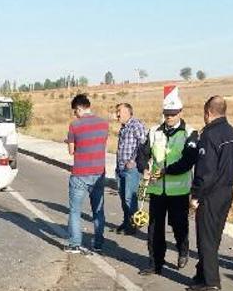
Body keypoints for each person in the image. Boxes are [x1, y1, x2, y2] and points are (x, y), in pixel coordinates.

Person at [137, 85, 198, 275]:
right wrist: (144, 168)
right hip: (156, 189)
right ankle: (155, 263)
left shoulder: (190, 133)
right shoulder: (154, 131)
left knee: (179, 225)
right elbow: (142, 154)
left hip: (179, 190)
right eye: (166, 114)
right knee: (155, 228)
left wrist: (167, 171)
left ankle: (182, 249)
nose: (169, 117)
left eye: (172, 113)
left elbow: (188, 161)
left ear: (180, 112)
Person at [187, 96, 233, 291]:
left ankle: (211, 281)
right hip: (227, 191)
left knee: (206, 238)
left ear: (208, 112)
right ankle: (202, 274)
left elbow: (206, 170)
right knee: (214, 236)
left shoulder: (209, 135)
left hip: (211, 192)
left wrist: (195, 195)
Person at [64, 94, 108, 253]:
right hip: (99, 172)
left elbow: (71, 151)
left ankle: (75, 244)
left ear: (79, 108)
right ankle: (98, 244)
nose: (75, 115)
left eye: (75, 111)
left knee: (75, 211)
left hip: (80, 173)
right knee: (98, 210)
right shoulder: (104, 124)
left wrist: (69, 141)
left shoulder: (74, 125)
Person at [114, 103, 147, 235]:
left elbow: (144, 144)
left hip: (131, 170)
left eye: (119, 111)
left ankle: (133, 225)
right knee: (123, 197)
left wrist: (134, 160)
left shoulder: (136, 125)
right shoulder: (123, 128)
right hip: (120, 168)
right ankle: (127, 221)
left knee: (130, 198)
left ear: (128, 112)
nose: (117, 114)